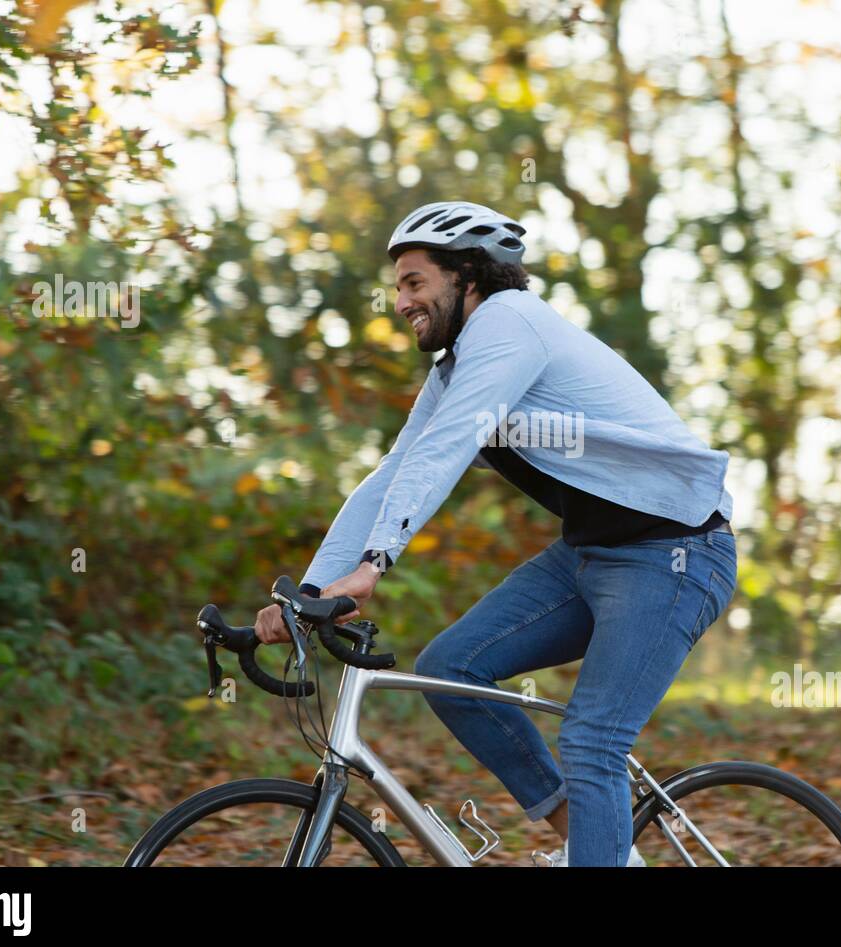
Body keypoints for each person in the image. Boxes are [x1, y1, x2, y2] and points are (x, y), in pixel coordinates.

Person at [254, 200, 738, 867]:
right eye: (399, 286)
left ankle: (601, 850)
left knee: (594, 743)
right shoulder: (457, 364)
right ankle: (596, 845)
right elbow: (392, 475)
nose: (400, 301)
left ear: (468, 276)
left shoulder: (510, 325)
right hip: (592, 554)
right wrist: (305, 593)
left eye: (415, 282)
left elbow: (448, 447)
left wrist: (376, 562)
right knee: (452, 668)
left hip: (676, 556)